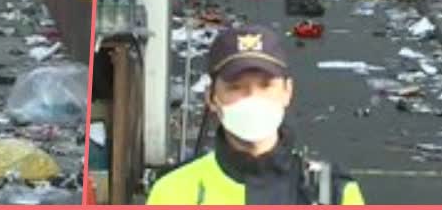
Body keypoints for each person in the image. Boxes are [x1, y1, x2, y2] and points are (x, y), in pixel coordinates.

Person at [147, 25, 365, 205]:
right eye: (236, 87)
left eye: (265, 85)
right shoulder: (173, 193)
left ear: (287, 92)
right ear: (212, 98)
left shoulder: (331, 193)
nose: (252, 97)